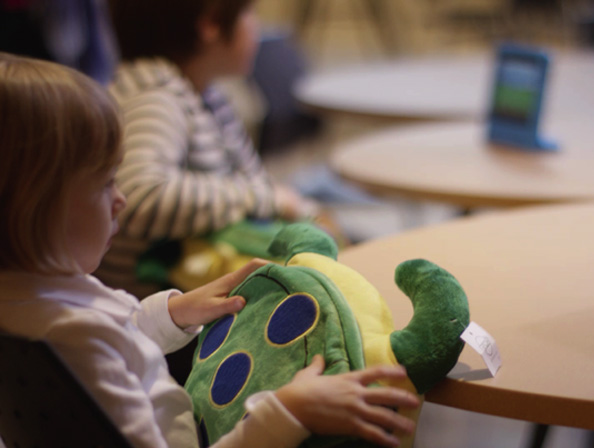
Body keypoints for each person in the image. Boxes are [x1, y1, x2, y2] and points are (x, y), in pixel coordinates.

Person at [0, 52, 419, 448]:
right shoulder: (80, 339)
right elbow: (100, 342)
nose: (121, 199)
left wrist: (173, 312)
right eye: (104, 183)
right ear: (35, 204)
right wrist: (289, 412)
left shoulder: (33, 300)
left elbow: (112, 335)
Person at [95, 0, 328, 298]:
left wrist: (302, 210)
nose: (256, 25)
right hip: (159, 313)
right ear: (211, 25)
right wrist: (265, 199)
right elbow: (138, 195)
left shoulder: (203, 91)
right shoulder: (156, 98)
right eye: (248, 12)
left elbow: (251, 178)